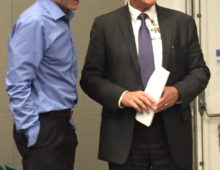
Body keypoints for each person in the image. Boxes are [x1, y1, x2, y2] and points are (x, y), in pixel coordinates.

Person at [80, 0, 210, 170]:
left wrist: (177, 92)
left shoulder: (182, 23)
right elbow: (90, 77)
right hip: (125, 135)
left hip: (171, 135)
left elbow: (200, 71)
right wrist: (123, 96)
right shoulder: (105, 25)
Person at [6, 0, 79, 170]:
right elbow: (18, 83)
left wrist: (66, 123)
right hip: (44, 129)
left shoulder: (60, 19)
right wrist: (33, 132)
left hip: (60, 125)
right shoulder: (35, 21)